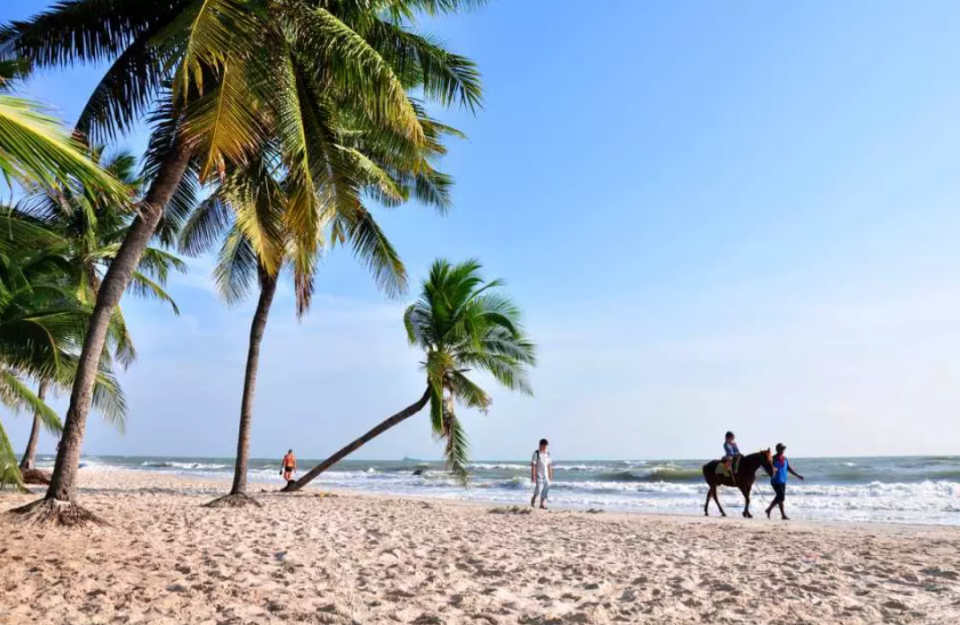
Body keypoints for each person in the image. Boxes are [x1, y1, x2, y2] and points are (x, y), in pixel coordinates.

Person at [765, 443, 804, 520]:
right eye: (781, 449)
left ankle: (782, 515)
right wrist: (772, 470)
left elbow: (789, 469)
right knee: (781, 497)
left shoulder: (785, 459)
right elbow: (768, 469)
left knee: (780, 498)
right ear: (777, 450)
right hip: (775, 481)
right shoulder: (773, 459)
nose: (782, 450)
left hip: (783, 480)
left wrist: (797, 475)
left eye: (783, 449)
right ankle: (769, 509)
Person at [530, 438, 554, 509]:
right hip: (538, 475)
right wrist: (533, 475)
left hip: (546, 475)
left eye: (546, 446)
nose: (545, 447)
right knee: (538, 491)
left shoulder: (547, 453)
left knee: (546, 488)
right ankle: (533, 499)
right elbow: (533, 465)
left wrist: (550, 473)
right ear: (540, 445)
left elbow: (549, 465)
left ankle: (542, 504)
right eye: (544, 446)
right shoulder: (536, 453)